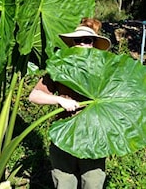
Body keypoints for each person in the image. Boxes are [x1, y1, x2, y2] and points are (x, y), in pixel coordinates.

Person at [29, 18, 111, 189]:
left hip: (93, 134)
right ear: (73, 43)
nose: (81, 44)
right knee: (64, 183)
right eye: (77, 40)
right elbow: (34, 96)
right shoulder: (61, 68)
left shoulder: (105, 70)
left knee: (92, 182)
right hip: (65, 132)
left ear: (93, 44)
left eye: (86, 40)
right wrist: (58, 99)